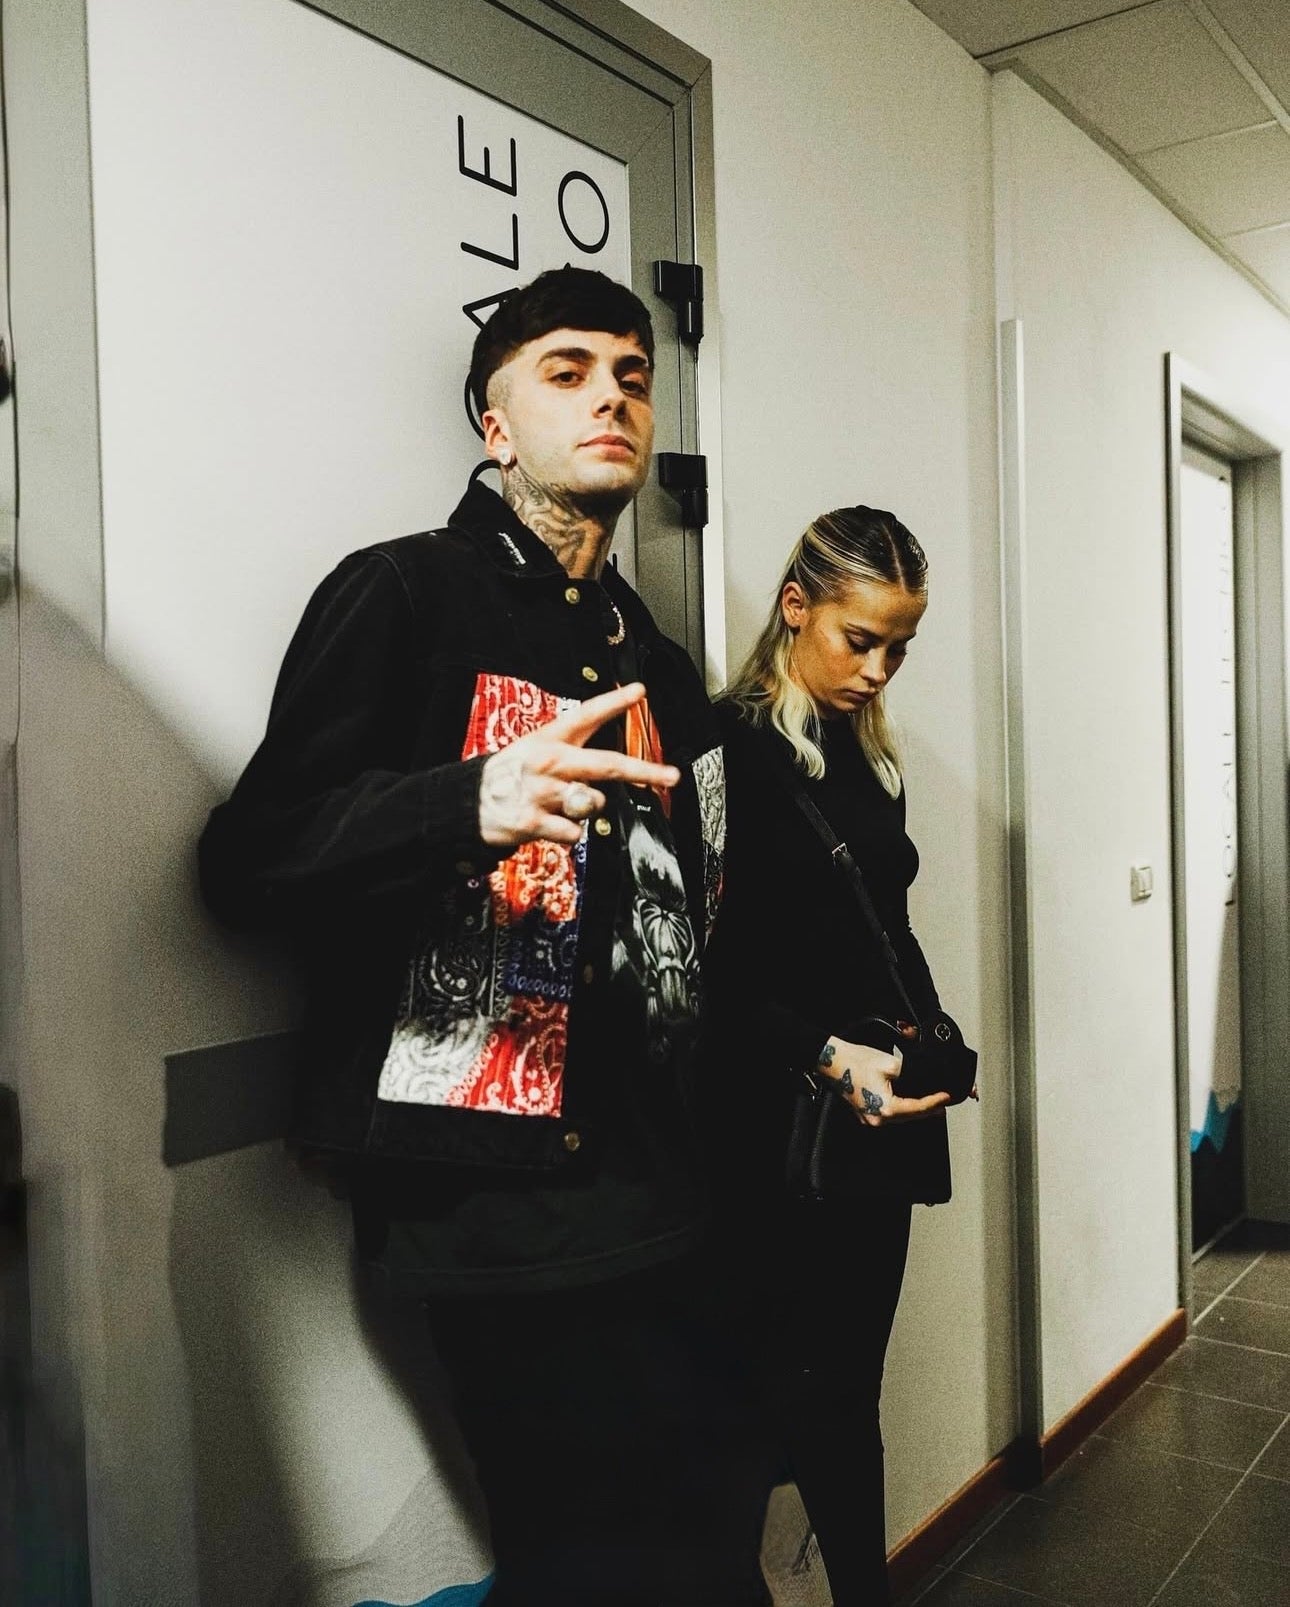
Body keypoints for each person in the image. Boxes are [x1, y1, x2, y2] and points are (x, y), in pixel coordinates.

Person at [198, 267, 769, 1606]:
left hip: (673, 1186)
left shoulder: (655, 658)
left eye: (631, 375)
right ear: (493, 422)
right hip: (500, 1210)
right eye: (566, 371)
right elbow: (250, 857)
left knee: (709, 1553)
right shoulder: (402, 593)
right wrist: (465, 801)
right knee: (590, 1567)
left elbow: (692, 916)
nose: (611, 396)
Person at [701, 505, 968, 1606]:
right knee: (762, 1391)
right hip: (763, 1129)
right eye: (861, 639)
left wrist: (934, 1036)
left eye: (899, 647)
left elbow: (885, 929)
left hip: (869, 1127)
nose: (878, 670)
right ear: (795, 605)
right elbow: (699, 968)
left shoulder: (870, 755)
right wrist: (819, 1050)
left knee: (848, 1386)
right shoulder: (725, 748)